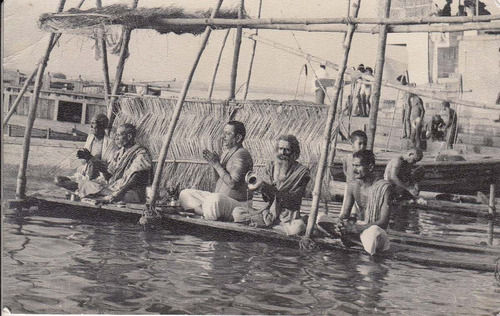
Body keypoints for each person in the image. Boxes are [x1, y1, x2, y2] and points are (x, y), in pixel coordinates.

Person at [233, 135, 310, 236]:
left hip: (288, 216)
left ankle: (273, 226)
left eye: (287, 150)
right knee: (237, 213)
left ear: (294, 152)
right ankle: (274, 225)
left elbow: (294, 200)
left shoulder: (302, 172)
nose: (282, 153)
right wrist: (262, 189)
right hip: (268, 212)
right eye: (280, 149)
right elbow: (267, 200)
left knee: (298, 228)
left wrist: (269, 188)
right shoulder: (271, 166)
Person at [179, 121, 254, 221]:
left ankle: (204, 212)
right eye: (224, 133)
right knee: (185, 194)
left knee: (214, 200)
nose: (223, 137)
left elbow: (232, 183)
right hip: (220, 200)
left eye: (228, 134)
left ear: (238, 138)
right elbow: (217, 181)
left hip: (237, 203)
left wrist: (216, 164)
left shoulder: (242, 154)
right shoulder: (227, 152)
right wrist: (213, 164)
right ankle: (206, 212)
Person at [337, 150, 394, 255]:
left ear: (371, 167)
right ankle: (357, 241)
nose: (354, 170)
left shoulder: (384, 188)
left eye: (358, 166)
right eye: (353, 165)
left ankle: (357, 241)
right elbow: (345, 214)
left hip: (375, 231)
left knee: (372, 234)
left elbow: (383, 223)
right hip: (359, 229)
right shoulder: (352, 186)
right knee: (321, 220)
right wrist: (340, 223)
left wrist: (356, 228)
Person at [78, 123, 152, 203]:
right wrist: (92, 159)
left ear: (129, 137)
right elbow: (110, 176)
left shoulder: (141, 153)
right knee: (85, 184)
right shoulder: (119, 153)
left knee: (90, 191)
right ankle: (105, 197)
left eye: (119, 135)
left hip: (130, 192)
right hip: (115, 187)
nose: (116, 138)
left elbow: (136, 178)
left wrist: (119, 194)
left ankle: (105, 197)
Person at [54, 114, 111, 191]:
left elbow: (108, 170)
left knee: (96, 160)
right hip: (85, 174)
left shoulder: (110, 143)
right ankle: (83, 188)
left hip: (99, 179)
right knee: (58, 180)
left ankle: (85, 188)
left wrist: (90, 158)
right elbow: (84, 162)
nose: (91, 126)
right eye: (91, 123)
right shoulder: (90, 138)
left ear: (102, 126)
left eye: (93, 123)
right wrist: (83, 156)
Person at [337, 130, 368, 218]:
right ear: (352, 144)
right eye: (360, 143)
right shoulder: (347, 158)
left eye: (365, 144)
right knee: (346, 212)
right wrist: (350, 182)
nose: (362, 146)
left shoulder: (366, 159)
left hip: (361, 188)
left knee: (359, 213)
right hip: (350, 187)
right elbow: (345, 170)